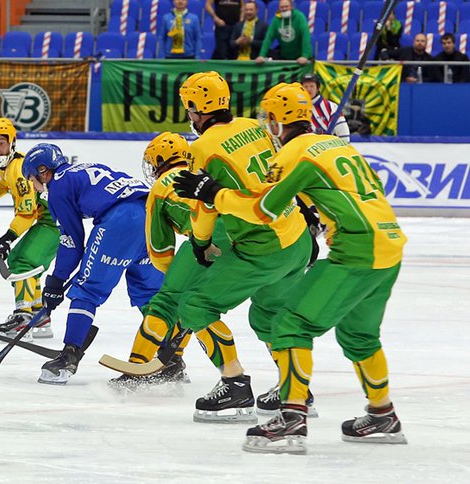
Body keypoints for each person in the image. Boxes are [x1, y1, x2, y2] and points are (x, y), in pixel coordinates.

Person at [173, 82, 408, 454]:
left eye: (270, 120)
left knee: (291, 324)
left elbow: (261, 210)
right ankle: (383, 414)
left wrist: (211, 192)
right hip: (390, 241)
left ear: (278, 123)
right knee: (359, 336)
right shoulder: (337, 144)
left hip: (356, 249)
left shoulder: (294, 154)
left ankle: (292, 418)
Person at [173, 71, 315, 423]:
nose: (189, 115)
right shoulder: (256, 125)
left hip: (262, 246)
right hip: (297, 236)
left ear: (196, 108)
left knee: (195, 305)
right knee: (268, 315)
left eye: (189, 108)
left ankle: (234, 386)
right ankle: (296, 388)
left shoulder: (202, 147)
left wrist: (200, 244)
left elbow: (205, 205)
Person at [20, 143, 164, 385]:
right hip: (153, 217)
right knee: (150, 295)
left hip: (122, 221)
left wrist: (56, 281)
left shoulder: (58, 186)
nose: (34, 186)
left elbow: (72, 242)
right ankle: (170, 359)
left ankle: (68, 357)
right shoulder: (85, 169)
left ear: (43, 171)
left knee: (87, 289)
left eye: (32, 179)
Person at [109, 132, 242, 392]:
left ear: (160, 160)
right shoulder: (201, 170)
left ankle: (137, 367)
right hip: (245, 236)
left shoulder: (160, 188)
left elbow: (159, 248)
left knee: (165, 303)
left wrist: (175, 279)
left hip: (209, 240)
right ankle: (284, 387)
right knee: (199, 307)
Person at [0, 118, 59, 340]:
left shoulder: (19, 170)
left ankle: (23, 317)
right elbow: (1, 182)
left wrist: (7, 239)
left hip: (55, 224)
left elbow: (27, 214)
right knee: (28, 261)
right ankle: (39, 315)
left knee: (21, 262)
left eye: (1, 143)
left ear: (12, 142)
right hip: (54, 222)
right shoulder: (11, 164)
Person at [255, 0, 311, 65]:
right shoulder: (276, 20)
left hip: (300, 56)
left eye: (286, 6)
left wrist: (305, 56)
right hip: (285, 56)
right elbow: (269, 38)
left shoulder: (299, 17)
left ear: (291, 7)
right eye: (282, 7)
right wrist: (262, 55)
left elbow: (305, 35)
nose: (284, 9)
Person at [300, 73, 350, 142]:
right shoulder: (297, 107)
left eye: (312, 86)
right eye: (306, 86)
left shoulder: (331, 107)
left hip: (327, 150)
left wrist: (344, 149)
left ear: (318, 88)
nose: (309, 89)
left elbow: (343, 134)